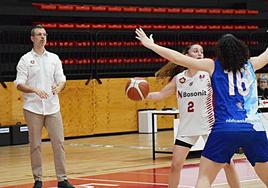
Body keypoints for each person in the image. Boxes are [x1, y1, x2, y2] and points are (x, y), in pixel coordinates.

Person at [135, 28, 268, 187]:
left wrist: (151, 45)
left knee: (205, 177)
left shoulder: (211, 66)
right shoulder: (252, 64)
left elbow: (177, 58)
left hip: (223, 127)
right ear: (241, 48)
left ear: (219, 51)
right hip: (253, 128)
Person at [146, 44, 240, 188]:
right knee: (175, 165)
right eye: (195, 51)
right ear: (187, 55)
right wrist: (143, 95)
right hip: (187, 128)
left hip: (209, 126)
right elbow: (161, 94)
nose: (200, 54)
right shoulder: (179, 79)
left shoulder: (209, 75)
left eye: (201, 51)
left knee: (227, 163)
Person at [14, 25, 74, 188]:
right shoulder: (25, 59)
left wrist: (59, 88)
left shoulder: (54, 58)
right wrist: (34, 89)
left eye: (44, 34)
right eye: (39, 34)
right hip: (33, 108)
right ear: (32, 38)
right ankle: (38, 179)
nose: (42, 37)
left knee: (59, 143)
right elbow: (19, 84)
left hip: (53, 107)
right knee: (35, 144)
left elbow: (62, 79)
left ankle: (62, 179)